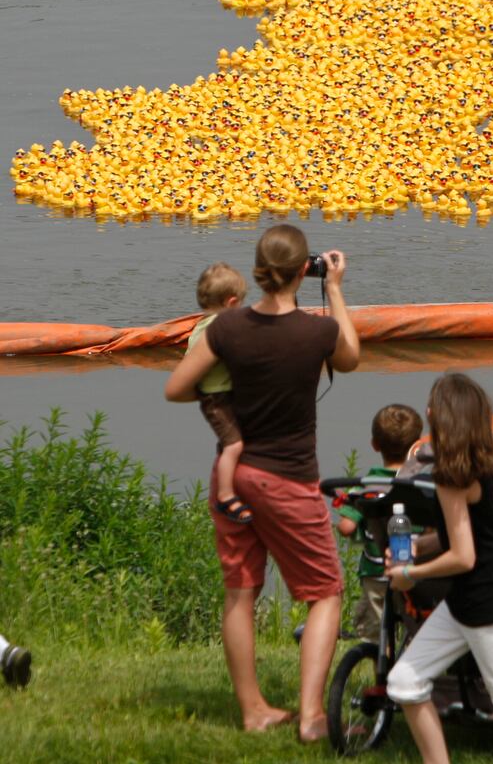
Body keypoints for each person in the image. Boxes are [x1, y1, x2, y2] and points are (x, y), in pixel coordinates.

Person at [165, 224, 360, 742]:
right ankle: (313, 716)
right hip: (289, 479)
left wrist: (227, 404)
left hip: (234, 476)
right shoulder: (318, 333)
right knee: (325, 593)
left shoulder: (227, 328)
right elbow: (351, 358)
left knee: (240, 592)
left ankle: (253, 711)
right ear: (305, 270)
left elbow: (177, 389)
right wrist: (336, 289)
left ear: (257, 269)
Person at [384, 373, 493, 764]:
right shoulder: (477, 466)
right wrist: (419, 544)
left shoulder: (451, 478)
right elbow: (465, 535)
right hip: (466, 602)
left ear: (435, 417)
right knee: (406, 682)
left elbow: (464, 557)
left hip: (487, 605)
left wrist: (409, 574)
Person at [336, 404, 424, 641]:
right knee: (414, 624)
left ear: (375, 444)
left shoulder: (367, 487)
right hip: (414, 572)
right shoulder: (422, 486)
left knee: (375, 633)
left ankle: (379, 667)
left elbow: (346, 527)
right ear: (417, 446)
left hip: (376, 572)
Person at [188, 262, 251, 523]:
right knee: (233, 445)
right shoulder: (221, 329)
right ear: (232, 302)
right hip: (217, 397)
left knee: (232, 443)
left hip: (217, 393)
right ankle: (226, 495)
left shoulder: (201, 326)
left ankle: (234, 484)